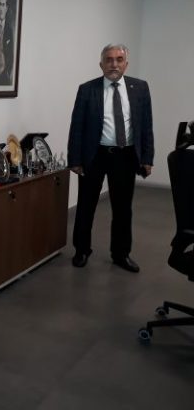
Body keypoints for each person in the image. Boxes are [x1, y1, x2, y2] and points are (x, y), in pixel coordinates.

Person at [67, 43, 154, 272]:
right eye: (109, 59)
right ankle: (81, 250)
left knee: (123, 209)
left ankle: (121, 254)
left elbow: (146, 126)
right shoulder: (87, 90)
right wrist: (75, 160)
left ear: (126, 63)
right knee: (86, 206)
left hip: (125, 156)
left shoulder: (140, 88)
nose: (114, 64)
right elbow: (77, 127)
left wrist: (147, 157)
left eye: (119, 59)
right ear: (101, 64)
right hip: (94, 155)